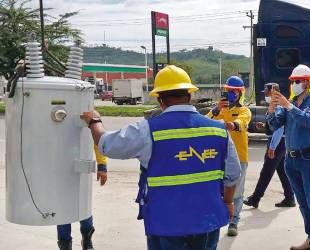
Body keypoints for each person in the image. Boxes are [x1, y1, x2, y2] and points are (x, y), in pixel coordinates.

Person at [81, 65, 241, 250]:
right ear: (189, 95)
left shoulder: (147, 130)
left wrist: (94, 121)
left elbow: (106, 144)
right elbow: (233, 174)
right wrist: (228, 202)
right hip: (207, 219)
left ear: (160, 100)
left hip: (165, 222)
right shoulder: (219, 130)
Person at [267, 64, 310, 250]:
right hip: (290, 159)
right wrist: (271, 110)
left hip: (307, 158)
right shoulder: (291, 102)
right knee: (303, 203)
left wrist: (288, 107)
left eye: (298, 81)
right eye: (293, 81)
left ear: (308, 83)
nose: (294, 84)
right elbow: (275, 125)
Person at [207, 76, 252, 237]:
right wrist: (217, 109)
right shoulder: (219, 110)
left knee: (237, 192)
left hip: (239, 157)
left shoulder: (244, 110)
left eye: (235, 91)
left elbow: (242, 122)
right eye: (229, 91)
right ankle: (218, 218)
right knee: (217, 190)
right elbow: (205, 121)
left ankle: (234, 221)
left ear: (241, 93)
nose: (232, 94)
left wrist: (231, 125)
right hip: (218, 156)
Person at [244, 83, 295, 208]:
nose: (265, 95)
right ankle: (290, 197)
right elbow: (274, 126)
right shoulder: (276, 105)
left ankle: (255, 198)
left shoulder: (278, 106)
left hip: (277, 143)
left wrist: (272, 147)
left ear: (272, 92)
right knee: (282, 171)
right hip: (281, 143)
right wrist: (265, 125)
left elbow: (279, 129)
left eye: (266, 92)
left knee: (266, 171)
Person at [57, 145, 108, 250]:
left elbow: (97, 141)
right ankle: (64, 245)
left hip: (82, 172)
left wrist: (102, 165)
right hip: (61, 171)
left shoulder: (87, 127)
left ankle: (87, 239)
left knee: (84, 207)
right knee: (62, 211)